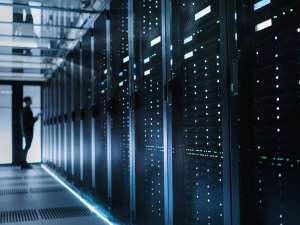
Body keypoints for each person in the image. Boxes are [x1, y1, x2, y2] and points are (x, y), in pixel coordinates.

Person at [20, 96, 40, 169]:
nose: (31, 101)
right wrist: (36, 118)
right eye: (30, 100)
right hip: (28, 131)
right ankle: (23, 162)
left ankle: (23, 162)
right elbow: (30, 121)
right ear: (27, 101)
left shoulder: (24, 110)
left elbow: (25, 121)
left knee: (27, 146)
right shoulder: (27, 110)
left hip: (26, 131)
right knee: (27, 146)